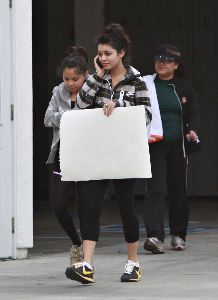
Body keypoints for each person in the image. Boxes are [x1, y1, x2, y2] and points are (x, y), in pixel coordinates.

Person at [65, 23, 151, 284]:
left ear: (121, 53)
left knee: (126, 207)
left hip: (123, 154)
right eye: (100, 54)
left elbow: (146, 114)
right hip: (97, 153)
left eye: (107, 54)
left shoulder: (137, 81)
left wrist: (121, 104)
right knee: (91, 207)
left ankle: (133, 263)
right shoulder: (97, 79)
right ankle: (87, 265)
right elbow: (80, 104)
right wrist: (97, 75)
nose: (103, 58)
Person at [143, 44, 200, 254]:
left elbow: (193, 111)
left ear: (175, 65)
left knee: (178, 190)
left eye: (166, 61)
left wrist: (192, 130)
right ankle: (154, 236)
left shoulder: (183, 86)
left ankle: (178, 234)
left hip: (178, 146)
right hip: (155, 145)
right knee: (155, 190)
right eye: (158, 59)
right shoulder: (146, 84)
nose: (161, 64)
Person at [44, 46, 89, 264]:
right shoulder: (58, 92)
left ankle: (87, 256)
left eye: (75, 79)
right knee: (59, 205)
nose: (70, 83)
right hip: (63, 152)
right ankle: (76, 242)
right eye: (67, 78)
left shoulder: (93, 91)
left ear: (86, 75)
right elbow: (47, 118)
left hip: (88, 155)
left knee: (86, 206)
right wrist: (69, 116)